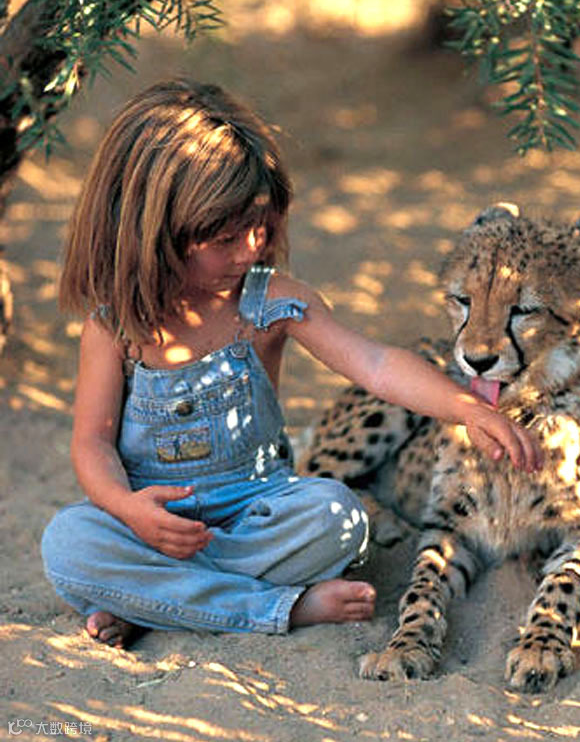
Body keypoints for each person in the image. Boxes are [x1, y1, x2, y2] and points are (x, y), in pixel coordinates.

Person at [42, 78, 542, 649]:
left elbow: (375, 364)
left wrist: (466, 409)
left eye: (262, 228)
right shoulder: (114, 329)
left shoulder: (272, 301)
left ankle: (156, 601)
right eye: (226, 238)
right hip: (149, 524)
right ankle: (281, 607)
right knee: (68, 541)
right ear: (152, 235)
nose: (251, 249)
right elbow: (92, 443)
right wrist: (127, 510)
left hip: (257, 513)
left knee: (338, 517)